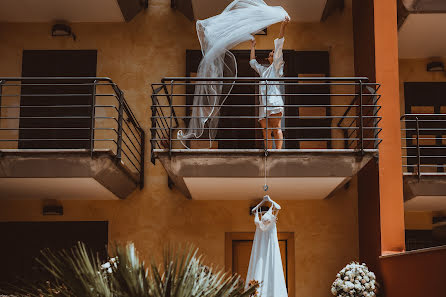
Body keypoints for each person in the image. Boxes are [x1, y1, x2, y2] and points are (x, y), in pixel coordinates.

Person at [249, 16, 289, 149]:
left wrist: (283, 26)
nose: (273, 53)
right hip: (264, 104)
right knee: (265, 131)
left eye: (274, 53)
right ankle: (268, 153)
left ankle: (278, 153)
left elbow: (279, 45)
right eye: (272, 53)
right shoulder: (264, 71)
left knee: (276, 128)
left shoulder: (277, 67)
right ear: (268, 58)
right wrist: (252, 46)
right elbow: (253, 63)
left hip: (274, 102)